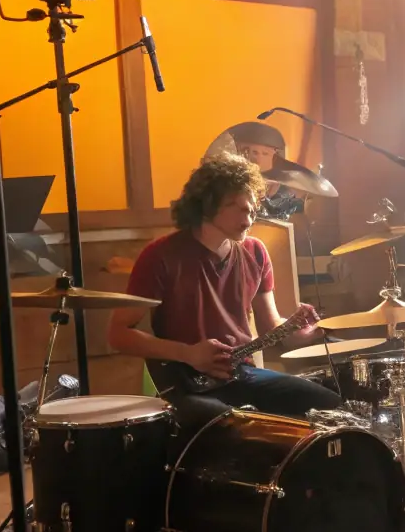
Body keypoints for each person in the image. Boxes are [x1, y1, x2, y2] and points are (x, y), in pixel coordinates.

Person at [108, 153, 341, 421]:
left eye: (252, 209)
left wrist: (307, 333)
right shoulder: (160, 256)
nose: (249, 217)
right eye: (238, 207)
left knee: (328, 408)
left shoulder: (256, 253)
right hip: (185, 382)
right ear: (207, 205)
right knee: (232, 425)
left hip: (242, 374)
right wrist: (188, 354)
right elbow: (118, 334)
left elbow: (270, 327)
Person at [223, 120, 300, 219]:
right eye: (246, 151)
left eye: (265, 153)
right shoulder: (226, 182)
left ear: (276, 156)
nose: (257, 159)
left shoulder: (284, 192)